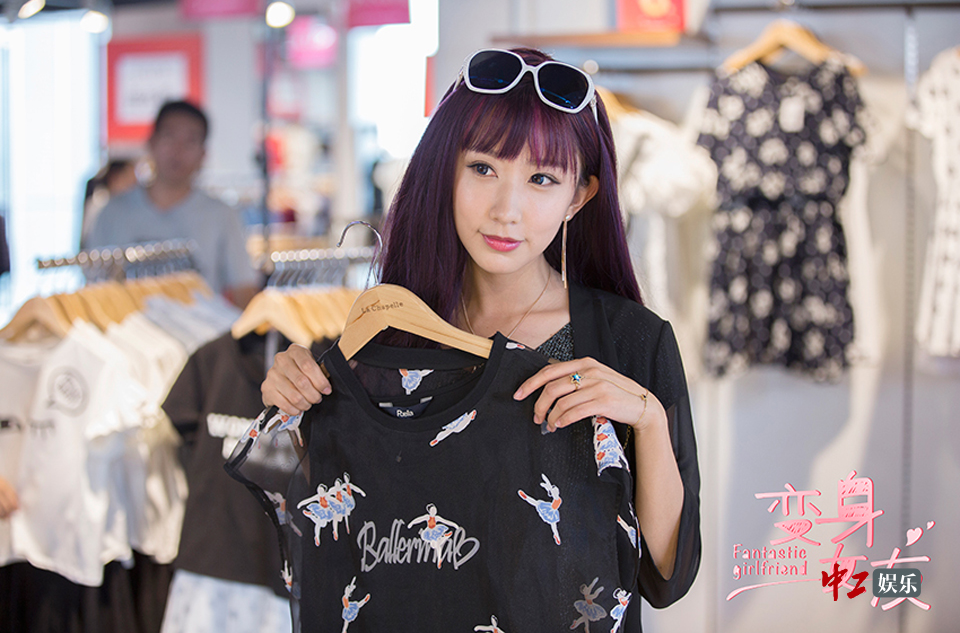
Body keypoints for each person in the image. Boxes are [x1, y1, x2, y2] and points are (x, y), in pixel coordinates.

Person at [260, 47, 700, 629]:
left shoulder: (629, 341)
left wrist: (647, 420)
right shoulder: (393, 335)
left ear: (578, 196)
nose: (506, 210)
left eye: (541, 179)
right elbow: (356, 526)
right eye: (483, 169)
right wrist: (299, 410)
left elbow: (667, 573)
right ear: (446, 170)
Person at [85, 100, 260, 308]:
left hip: (201, 327)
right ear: (151, 143)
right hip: (128, 325)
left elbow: (243, 289)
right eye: (169, 136)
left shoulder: (222, 215)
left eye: (190, 141)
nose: (178, 150)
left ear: (203, 154)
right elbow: (95, 290)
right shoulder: (112, 213)